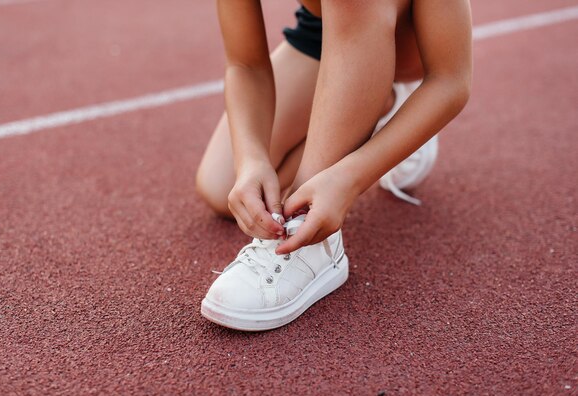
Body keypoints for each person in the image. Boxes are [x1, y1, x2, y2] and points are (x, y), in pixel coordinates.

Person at [196, 0, 472, 331]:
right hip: (324, 38)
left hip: (409, 47)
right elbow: (245, 64)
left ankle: (315, 245)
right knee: (221, 185)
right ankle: (383, 106)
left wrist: (349, 178)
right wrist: (250, 160)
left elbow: (450, 79)